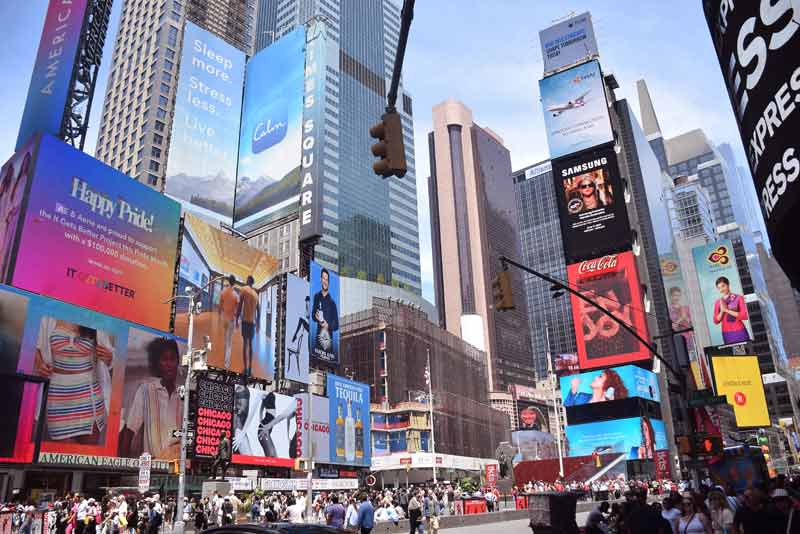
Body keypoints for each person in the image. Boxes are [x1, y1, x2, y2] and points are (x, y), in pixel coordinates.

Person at [34, 319, 114, 443]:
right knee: (61, 455)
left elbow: (111, 356)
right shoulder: (48, 316)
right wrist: (39, 364)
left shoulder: (95, 318)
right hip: (57, 396)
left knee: (86, 454)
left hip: (89, 397)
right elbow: (35, 345)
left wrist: (110, 357)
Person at [119, 337, 181, 458]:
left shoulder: (183, 395)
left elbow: (186, 434)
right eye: (164, 359)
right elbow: (129, 432)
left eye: (172, 359)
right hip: (153, 466)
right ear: (158, 363)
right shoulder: (146, 390)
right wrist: (122, 469)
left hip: (178, 468)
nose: (169, 364)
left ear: (178, 362)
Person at [311, 267, 339, 361]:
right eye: (323, 278)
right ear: (320, 279)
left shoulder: (332, 303)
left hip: (329, 344)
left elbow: (336, 325)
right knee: (316, 362)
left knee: (328, 364)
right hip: (318, 342)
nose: (325, 281)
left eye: (327, 279)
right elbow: (312, 315)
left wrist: (328, 325)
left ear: (329, 282)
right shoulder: (316, 297)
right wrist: (316, 317)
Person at [713, 276, 750, 345]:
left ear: (728, 284)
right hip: (727, 334)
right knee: (734, 355)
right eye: (719, 288)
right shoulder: (718, 302)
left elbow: (745, 316)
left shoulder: (739, 298)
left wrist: (727, 310)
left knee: (747, 353)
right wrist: (722, 311)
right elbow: (716, 321)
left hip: (740, 331)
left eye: (723, 286)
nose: (721, 289)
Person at [565, 369, 629, 406]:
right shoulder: (581, 396)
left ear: (608, 387)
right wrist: (573, 389)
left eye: (600, 377)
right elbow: (566, 410)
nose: (595, 377)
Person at [238, 276, 259, 377]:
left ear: (248, 281)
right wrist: (258, 323)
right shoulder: (256, 294)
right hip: (252, 323)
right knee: (250, 345)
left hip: (245, 321)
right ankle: (250, 368)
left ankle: (245, 368)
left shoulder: (244, 290)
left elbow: (239, 305)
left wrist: (237, 318)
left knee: (245, 345)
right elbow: (259, 310)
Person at [219, 275, 240, 370]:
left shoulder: (223, 291)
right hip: (231, 320)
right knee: (229, 343)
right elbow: (238, 309)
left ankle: (223, 357)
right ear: (234, 283)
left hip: (225, 318)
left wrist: (221, 315)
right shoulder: (235, 295)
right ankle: (226, 364)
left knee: (225, 339)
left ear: (228, 281)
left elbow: (220, 305)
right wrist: (237, 322)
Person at [288, 296, 309, 376]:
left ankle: (295, 335)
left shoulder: (311, 308)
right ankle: (295, 335)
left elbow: (308, 317)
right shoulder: (307, 308)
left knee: (301, 320)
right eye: (306, 302)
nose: (306, 304)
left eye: (307, 302)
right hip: (308, 328)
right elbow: (306, 317)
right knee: (301, 320)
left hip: (313, 329)